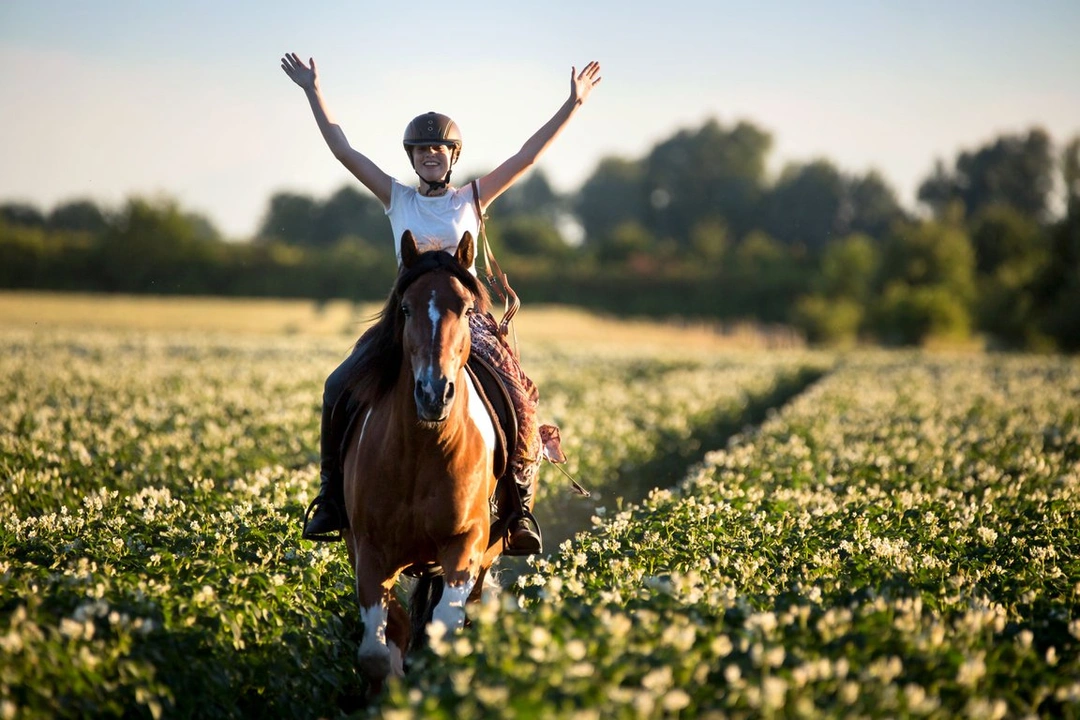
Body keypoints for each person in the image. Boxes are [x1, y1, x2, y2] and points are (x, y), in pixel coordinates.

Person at [281, 51, 601, 554]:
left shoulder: (472, 197)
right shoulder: (397, 199)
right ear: (412, 158)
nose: (431, 154)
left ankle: (518, 509)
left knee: (519, 402)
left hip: (467, 323)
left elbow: (526, 157)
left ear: (453, 156)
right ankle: (330, 497)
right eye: (422, 149)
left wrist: (573, 104)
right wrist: (313, 91)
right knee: (337, 385)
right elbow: (344, 151)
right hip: (406, 321)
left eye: (440, 148)